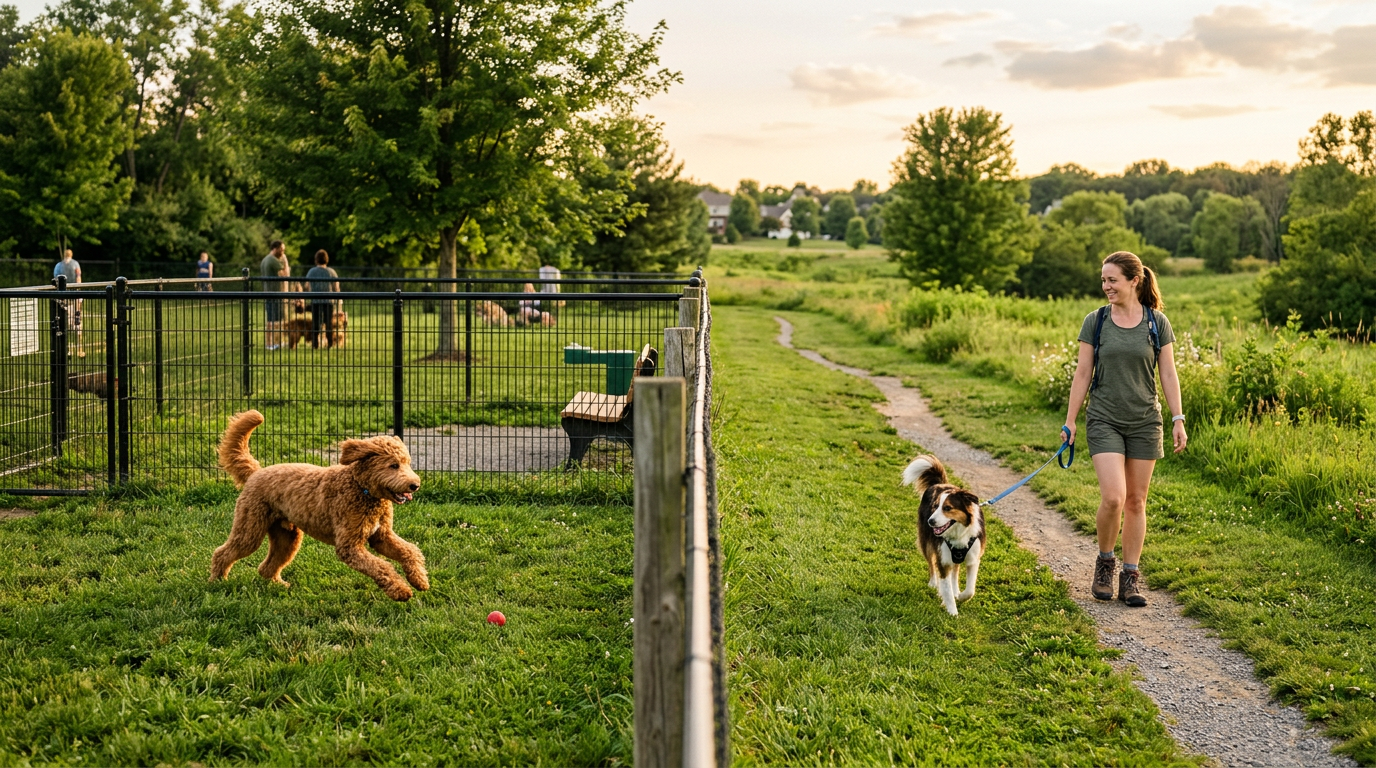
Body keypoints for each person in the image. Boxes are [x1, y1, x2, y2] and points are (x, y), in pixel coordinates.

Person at [1063, 251, 1186, 608]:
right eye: (1103, 280)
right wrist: (1071, 421)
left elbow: (1168, 374)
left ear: (1134, 280)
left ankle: (1130, 576)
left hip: (1146, 421)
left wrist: (1178, 419)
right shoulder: (1096, 321)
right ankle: (1105, 562)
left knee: (1136, 500)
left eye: (1112, 280)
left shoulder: (1156, 322)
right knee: (1114, 497)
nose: (1106, 286)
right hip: (1104, 418)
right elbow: (1082, 373)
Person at [305, 249, 340, 348]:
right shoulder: (331, 272)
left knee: (316, 323)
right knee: (328, 323)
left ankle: (315, 344)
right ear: (326, 259)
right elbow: (336, 287)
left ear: (316, 260)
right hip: (328, 301)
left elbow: (306, 285)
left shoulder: (311, 271)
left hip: (315, 301)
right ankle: (329, 344)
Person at [52, 249, 84, 358]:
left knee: (65, 323)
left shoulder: (58, 266)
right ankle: (79, 349)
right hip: (74, 297)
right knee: (77, 322)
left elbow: (55, 281)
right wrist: (79, 296)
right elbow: (78, 278)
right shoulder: (76, 264)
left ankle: (68, 349)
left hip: (63, 297)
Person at [260, 240, 287, 350]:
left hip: (269, 292)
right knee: (273, 320)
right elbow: (284, 275)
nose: (283, 252)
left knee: (274, 319)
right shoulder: (273, 260)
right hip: (275, 294)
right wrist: (285, 261)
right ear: (275, 249)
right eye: (282, 250)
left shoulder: (265, 260)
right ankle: (270, 344)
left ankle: (276, 342)